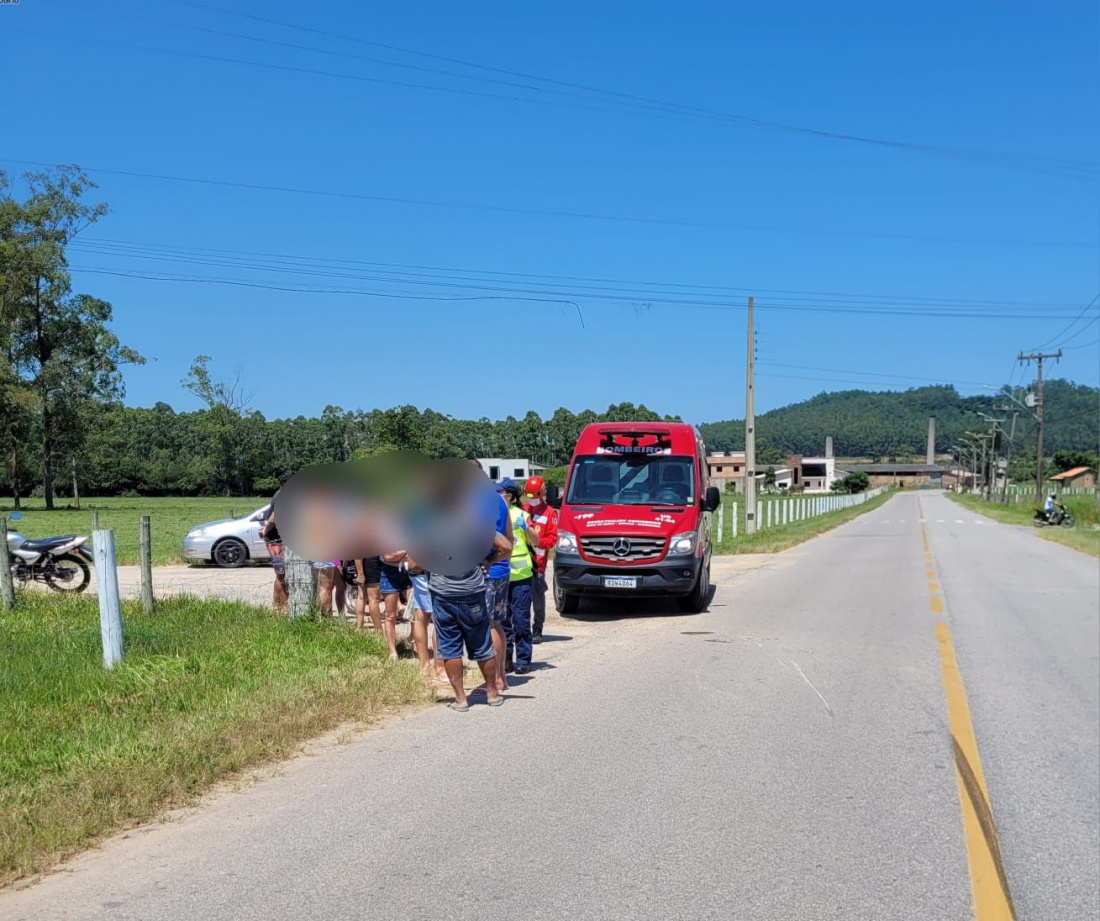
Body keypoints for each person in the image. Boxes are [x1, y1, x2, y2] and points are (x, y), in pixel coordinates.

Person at [428, 497, 511, 711]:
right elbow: (505, 546)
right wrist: (487, 561)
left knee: (450, 648)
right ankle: (492, 694)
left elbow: (414, 563)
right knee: (482, 643)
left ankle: (460, 699)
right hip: (473, 592)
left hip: (443, 593)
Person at [502, 479, 537, 675]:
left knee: (521, 620)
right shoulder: (492, 515)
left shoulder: (521, 515)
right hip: (500, 577)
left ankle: (523, 659)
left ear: (510, 496)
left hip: (521, 577)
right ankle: (506, 660)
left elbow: (536, 541)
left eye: (502, 493)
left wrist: (525, 527)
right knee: (503, 622)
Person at [523, 475, 558, 643]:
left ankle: (537, 630)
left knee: (537, 599)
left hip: (538, 564)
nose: (532, 500)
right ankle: (521, 629)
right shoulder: (523, 509)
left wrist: (537, 542)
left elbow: (552, 540)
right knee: (520, 600)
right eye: (529, 496)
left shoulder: (550, 513)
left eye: (535, 496)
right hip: (521, 563)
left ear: (542, 493)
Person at [379, 553, 412, 660]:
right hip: (389, 572)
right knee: (390, 615)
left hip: (408, 571)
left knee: (416, 611)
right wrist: (406, 552)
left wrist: (397, 555)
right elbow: (388, 557)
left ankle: (411, 640)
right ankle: (393, 651)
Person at [260, 499, 286, 613]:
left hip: (280, 540)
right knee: (283, 575)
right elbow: (273, 518)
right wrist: (265, 531)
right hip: (277, 540)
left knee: (281, 575)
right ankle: (282, 607)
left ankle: (278, 607)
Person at [353, 556, 383, 631]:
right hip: (371, 564)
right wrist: (360, 574)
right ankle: (379, 630)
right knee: (373, 599)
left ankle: (359, 628)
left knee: (362, 597)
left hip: (366, 564)